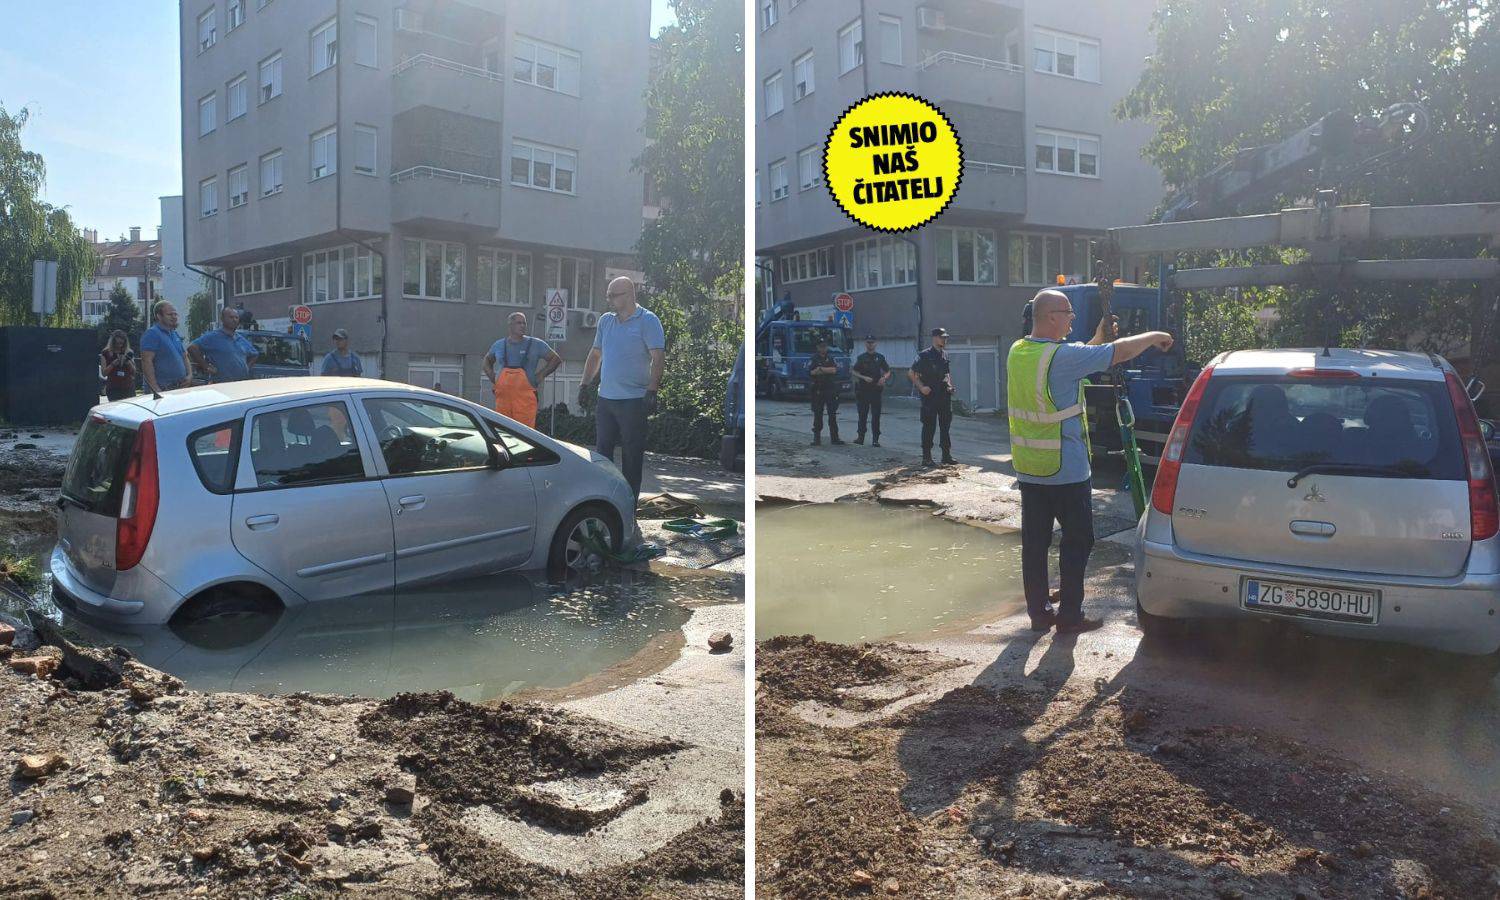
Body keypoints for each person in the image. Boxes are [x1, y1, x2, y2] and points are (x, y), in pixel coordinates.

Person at [1008, 288, 1173, 635]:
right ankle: (1069, 616)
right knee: (1078, 541)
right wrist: (1154, 336)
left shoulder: (1019, 351)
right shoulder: (1063, 358)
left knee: (1035, 545)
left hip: (1030, 468)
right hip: (1065, 470)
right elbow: (1118, 352)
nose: (1072, 318)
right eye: (1067, 313)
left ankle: (1039, 614)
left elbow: (1076, 357)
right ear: (1051, 316)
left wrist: (1097, 336)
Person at [581, 276, 666, 498]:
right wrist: (584, 384)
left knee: (632, 456)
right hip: (606, 400)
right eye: (608, 295)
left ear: (629, 295)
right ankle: (604, 501)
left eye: (613, 295)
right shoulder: (606, 321)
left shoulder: (648, 320)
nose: (609, 300)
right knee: (602, 456)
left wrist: (652, 390)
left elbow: (658, 356)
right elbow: (595, 353)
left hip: (633, 401)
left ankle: (629, 506)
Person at [484, 311, 562, 429]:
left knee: (524, 434)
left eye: (524, 323)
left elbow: (555, 359)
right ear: (510, 325)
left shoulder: (536, 344)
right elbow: (486, 361)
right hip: (503, 400)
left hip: (525, 400)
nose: (523, 326)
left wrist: (540, 376)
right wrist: (494, 377)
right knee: (503, 431)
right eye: (519, 323)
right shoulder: (499, 345)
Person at [908, 327, 956, 467]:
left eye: (945, 337)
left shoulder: (945, 355)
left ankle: (946, 455)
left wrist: (949, 385)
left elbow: (946, 374)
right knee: (929, 426)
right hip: (930, 397)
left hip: (944, 396)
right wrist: (921, 387)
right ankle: (927, 457)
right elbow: (911, 373)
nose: (944, 340)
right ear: (934, 338)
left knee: (945, 427)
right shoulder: (924, 355)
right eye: (942, 337)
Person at [188, 307, 258, 383]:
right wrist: (206, 366)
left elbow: (255, 354)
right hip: (221, 383)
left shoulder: (240, 338)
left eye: (236, 317)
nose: (234, 320)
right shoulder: (213, 337)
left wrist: (246, 368)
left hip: (240, 384)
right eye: (231, 317)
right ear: (223, 319)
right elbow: (192, 348)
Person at [140, 300, 191, 394]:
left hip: (179, 389)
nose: (174, 317)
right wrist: (155, 389)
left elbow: (184, 356)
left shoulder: (174, 334)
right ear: (159, 316)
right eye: (170, 314)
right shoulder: (152, 334)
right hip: (162, 390)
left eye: (175, 314)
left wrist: (189, 375)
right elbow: (146, 361)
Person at [851, 334, 890, 446]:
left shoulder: (880, 357)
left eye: (872, 342)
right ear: (865, 344)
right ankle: (860, 437)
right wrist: (863, 377)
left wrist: (884, 378)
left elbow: (888, 371)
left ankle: (875, 439)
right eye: (868, 342)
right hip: (863, 390)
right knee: (862, 415)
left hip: (876, 390)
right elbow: (854, 371)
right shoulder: (861, 358)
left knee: (876, 415)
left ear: (875, 344)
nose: (870, 344)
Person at [807, 335, 843, 445]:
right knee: (818, 414)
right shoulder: (813, 358)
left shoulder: (831, 358)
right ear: (818, 347)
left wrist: (821, 369)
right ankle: (817, 439)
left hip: (830, 389)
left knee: (832, 414)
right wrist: (823, 370)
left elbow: (834, 370)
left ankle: (835, 438)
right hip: (818, 389)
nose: (823, 348)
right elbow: (811, 372)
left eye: (825, 346)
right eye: (821, 346)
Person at [99, 330, 137, 402]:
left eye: (122, 343)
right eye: (117, 343)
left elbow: (134, 372)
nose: (120, 346)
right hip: (113, 388)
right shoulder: (105, 353)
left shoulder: (129, 352)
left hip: (128, 387)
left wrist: (128, 362)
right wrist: (113, 364)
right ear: (113, 342)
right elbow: (104, 373)